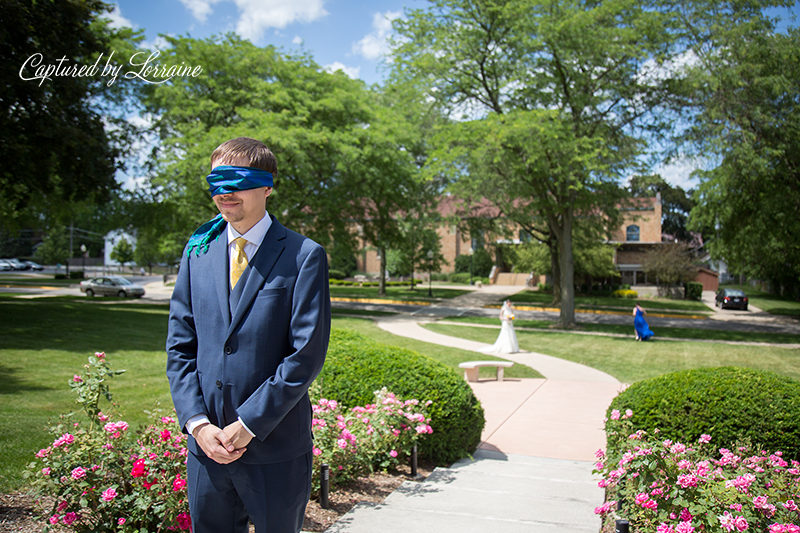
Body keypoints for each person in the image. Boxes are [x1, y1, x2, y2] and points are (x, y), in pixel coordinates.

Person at [166, 137, 331, 533]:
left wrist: (248, 425)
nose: (225, 192)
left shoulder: (303, 255)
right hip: (206, 451)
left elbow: (305, 354)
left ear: (267, 186)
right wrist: (197, 425)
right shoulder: (197, 252)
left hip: (274, 448)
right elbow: (180, 345)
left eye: (237, 180)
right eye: (216, 181)